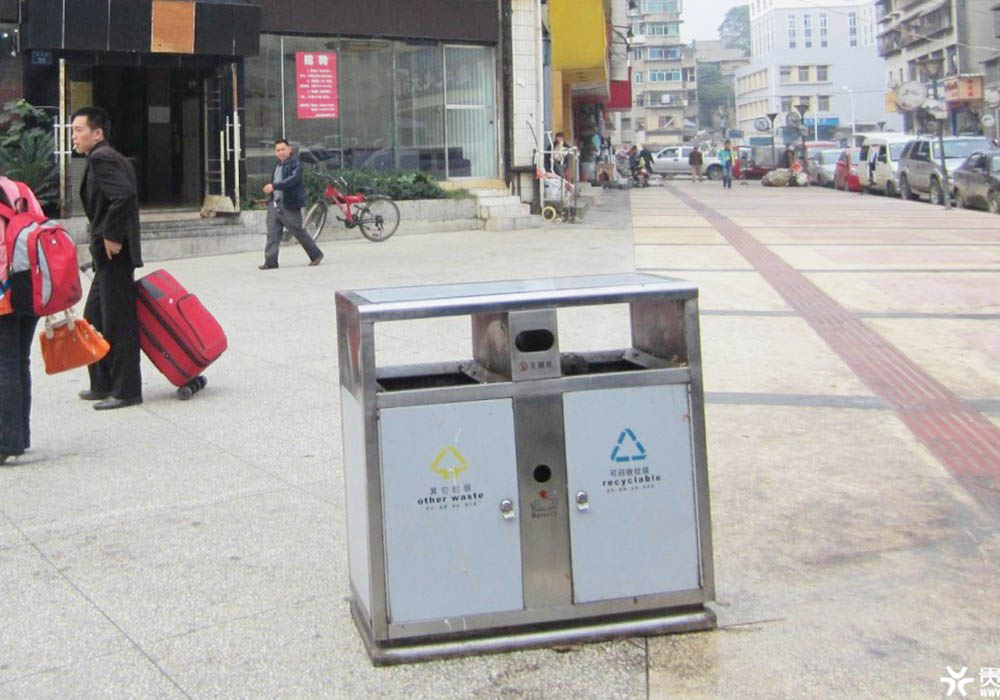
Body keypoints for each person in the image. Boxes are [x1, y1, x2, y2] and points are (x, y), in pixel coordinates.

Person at [72, 106, 144, 411]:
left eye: (79, 130)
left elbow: (123, 195)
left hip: (114, 253)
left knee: (118, 321)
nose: (74, 136)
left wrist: (112, 235)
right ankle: (102, 383)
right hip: (107, 254)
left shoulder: (102, 158)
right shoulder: (107, 156)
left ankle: (127, 390)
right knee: (94, 318)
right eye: (73, 130)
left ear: (98, 133)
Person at [0, 183, 39, 461]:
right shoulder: (20, 188)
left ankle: (6, 443)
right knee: (19, 361)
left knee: (5, 364)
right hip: (31, 288)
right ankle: (20, 437)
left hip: (4, 293)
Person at [260, 139, 324, 270]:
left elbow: (291, 181)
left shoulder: (296, 164)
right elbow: (275, 182)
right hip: (275, 203)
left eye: (283, 149)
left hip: (289, 204)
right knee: (272, 234)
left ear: (289, 149)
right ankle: (270, 262)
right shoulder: (277, 165)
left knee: (297, 231)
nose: (281, 152)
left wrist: (274, 186)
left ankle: (316, 254)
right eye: (278, 150)